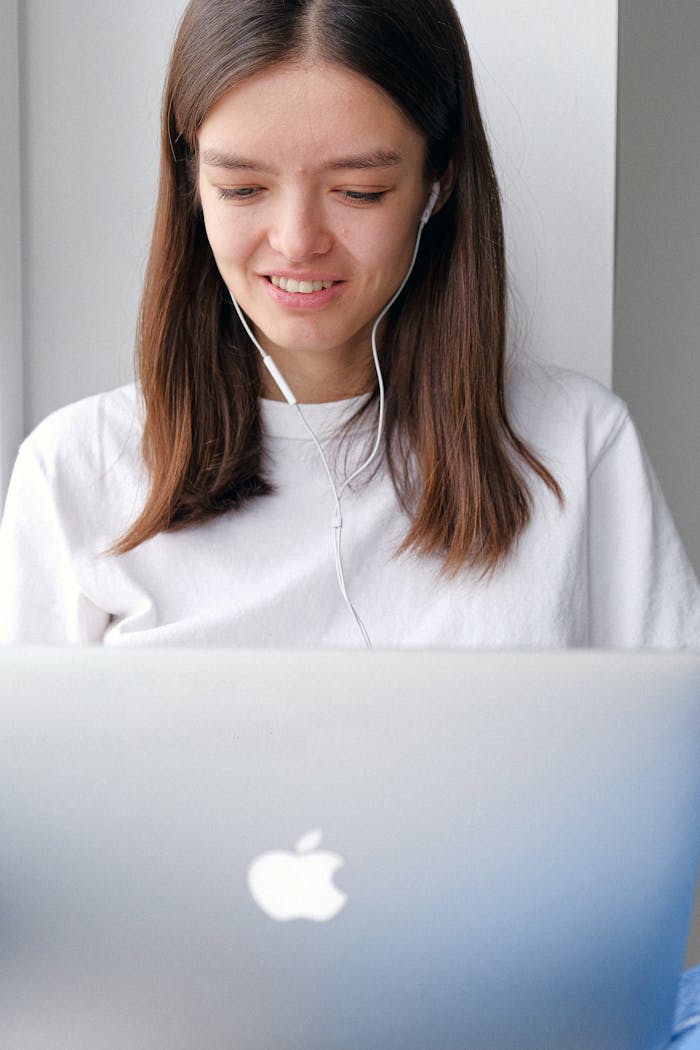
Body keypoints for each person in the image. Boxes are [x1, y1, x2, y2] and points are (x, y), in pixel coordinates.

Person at [0, 0, 699, 1040]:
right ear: (188, 184)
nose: (295, 241)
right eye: (240, 186)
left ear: (439, 181)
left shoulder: (573, 448)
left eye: (359, 189)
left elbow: (674, 823)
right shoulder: (78, 471)